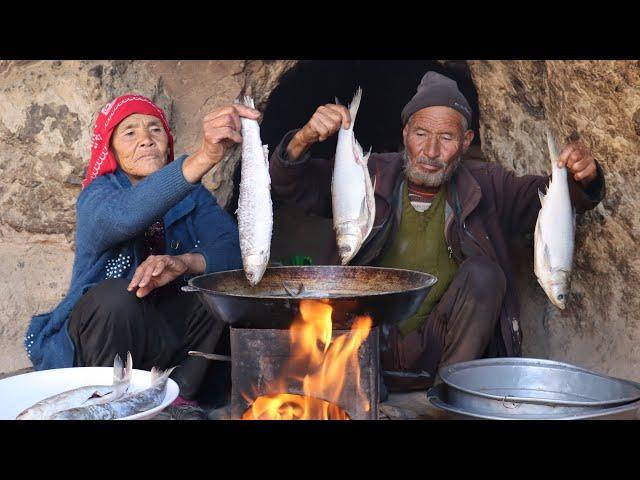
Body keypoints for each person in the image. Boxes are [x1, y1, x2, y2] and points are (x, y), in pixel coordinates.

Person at [268, 71, 606, 392]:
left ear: (466, 141)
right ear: (405, 134)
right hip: (363, 345)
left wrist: (582, 177)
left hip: (440, 349)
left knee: (485, 275)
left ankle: (450, 392)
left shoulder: (488, 185)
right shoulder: (366, 173)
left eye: (446, 138)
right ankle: (355, 383)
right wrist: (303, 138)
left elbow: (554, 202)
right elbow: (292, 186)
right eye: (420, 135)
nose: (431, 152)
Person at [24, 94, 260, 413]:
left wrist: (184, 262)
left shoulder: (193, 197)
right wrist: (205, 156)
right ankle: (107, 403)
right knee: (116, 298)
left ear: (167, 142)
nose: (146, 140)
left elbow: (237, 252)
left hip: (164, 338)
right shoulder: (98, 196)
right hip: (105, 341)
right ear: (112, 149)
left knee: (218, 288)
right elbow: (127, 216)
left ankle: (181, 398)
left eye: (155, 130)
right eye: (130, 133)